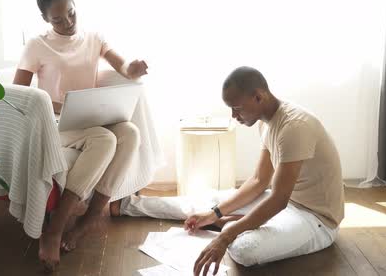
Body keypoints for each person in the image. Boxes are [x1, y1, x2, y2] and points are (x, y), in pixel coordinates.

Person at [110, 66, 345, 275]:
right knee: (209, 201)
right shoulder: (267, 121)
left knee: (244, 250)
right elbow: (258, 181)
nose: (234, 116)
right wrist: (215, 214)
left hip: (315, 219)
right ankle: (127, 205)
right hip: (288, 203)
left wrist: (225, 236)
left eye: (237, 108)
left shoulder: (294, 127)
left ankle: (235, 224)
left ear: (258, 97)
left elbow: (278, 200)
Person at [13, 0, 149, 272]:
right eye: (58, 20)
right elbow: (19, 93)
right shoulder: (37, 45)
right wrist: (60, 103)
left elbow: (122, 65)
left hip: (89, 118)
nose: (68, 23)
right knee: (105, 139)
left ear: (75, 6)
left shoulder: (94, 38)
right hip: (55, 123)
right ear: (46, 20)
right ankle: (55, 228)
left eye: (71, 14)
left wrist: (134, 68)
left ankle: (89, 219)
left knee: (130, 134)